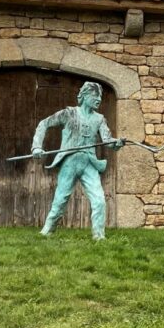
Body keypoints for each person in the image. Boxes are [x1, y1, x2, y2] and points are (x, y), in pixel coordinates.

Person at [31, 81, 124, 240]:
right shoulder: (69, 113)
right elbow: (43, 124)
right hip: (70, 163)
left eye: (100, 96)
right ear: (84, 96)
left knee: (99, 200)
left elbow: (107, 140)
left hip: (89, 163)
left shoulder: (100, 119)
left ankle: (99, 237)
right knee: (60, 200)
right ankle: (46, 232)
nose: (99, 99)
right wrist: (36, 147)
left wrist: (116, 143)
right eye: (95, 95)